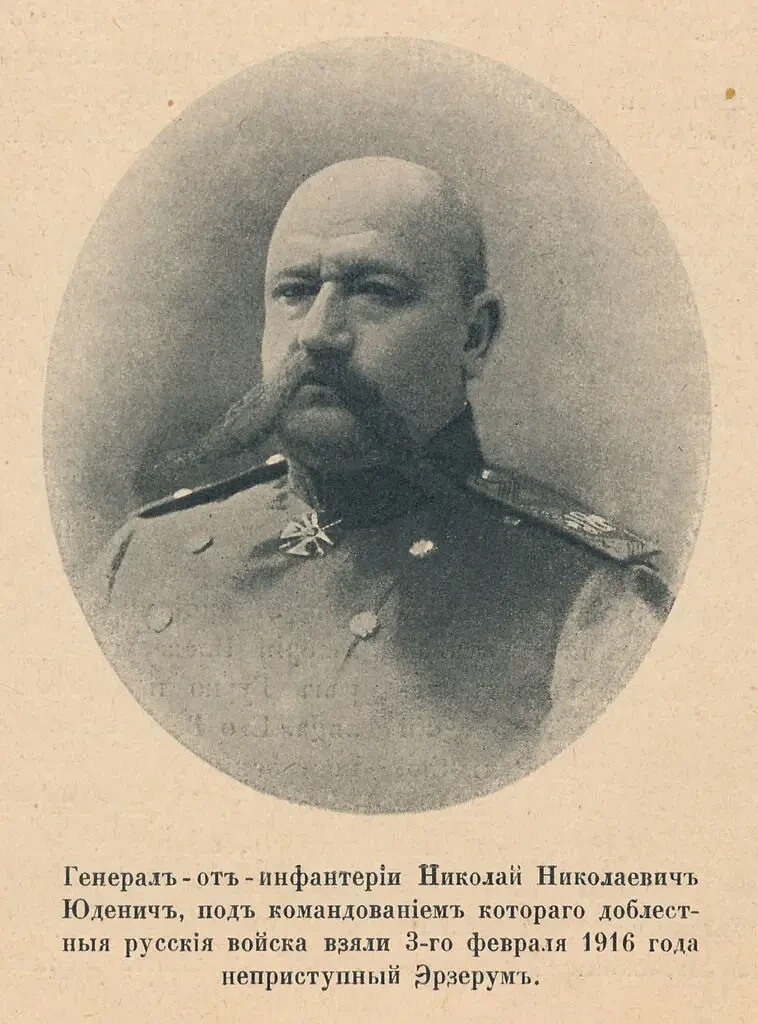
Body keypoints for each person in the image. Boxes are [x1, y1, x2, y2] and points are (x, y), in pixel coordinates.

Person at [87, 157, 670, 813]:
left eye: (375, 291)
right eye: (294, 291)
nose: (318, 333)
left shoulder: (587, 600)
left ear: (474, 336)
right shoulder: (141, 558)